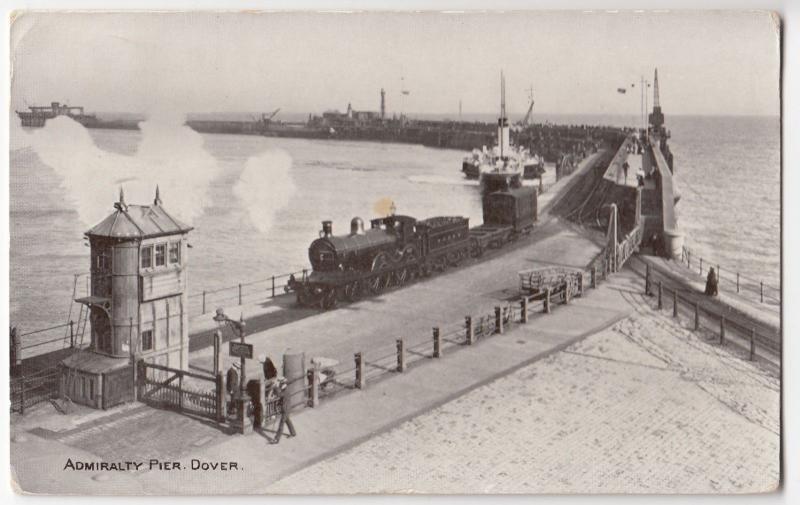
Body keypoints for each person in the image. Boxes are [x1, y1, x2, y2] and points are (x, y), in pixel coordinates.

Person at [270, 378, 296, 444]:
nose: (280, 385)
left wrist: (275, 387)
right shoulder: (285, 389)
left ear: (284, 385)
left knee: (281, 424)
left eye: (281, 384)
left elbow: (279, 394)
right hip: (286, 408)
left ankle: (276, 439)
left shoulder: (285, 391)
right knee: (287, 421)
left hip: (285, 409)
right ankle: (293, 433)